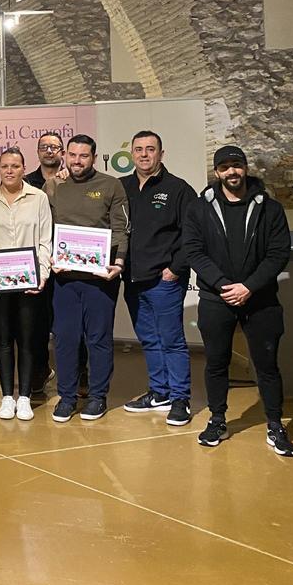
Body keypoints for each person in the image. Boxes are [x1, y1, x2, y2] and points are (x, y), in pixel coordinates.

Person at [183, 145, 293, 456]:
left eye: (237, 165)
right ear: (216, 172)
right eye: (225, 167)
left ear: (245, 168)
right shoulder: (198, 208)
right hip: (216, 298)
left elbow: (277, 255)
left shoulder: (270, 209)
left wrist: (248, 286)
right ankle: (217, 419)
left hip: (261, 299)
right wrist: (222, 285)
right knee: (217, 363)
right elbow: (193, 251)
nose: (232, 171)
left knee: (267, 366)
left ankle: (275, 424)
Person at [44, 135, 129, 423]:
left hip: (100, 277)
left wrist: (118, 262)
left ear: (94, 157)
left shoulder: (111, 185)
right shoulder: (56, 185)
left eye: (84, 156)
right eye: (73, 155)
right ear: (65, 155)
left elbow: (121, 228)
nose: (77, 161)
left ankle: (97, 397)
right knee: (66, 339)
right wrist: (50, 258)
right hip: (64, 277)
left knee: (98, 340)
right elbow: (46, 227)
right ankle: (66, 397)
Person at [120, 131, 194, 427]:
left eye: (151, 149)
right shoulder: (121, 186)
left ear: (161, 154)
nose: (144, 154)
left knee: (172, 341)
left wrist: (174, 268)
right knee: (149, 340)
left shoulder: (178, 189)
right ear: (132, 154)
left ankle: (180, 399)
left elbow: (192, 235)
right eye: (138, 149)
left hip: (164, 280)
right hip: (132, 279)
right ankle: (159, 392)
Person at [0, 148, 52, 422]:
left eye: (15, 166)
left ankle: (25, 397)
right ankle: (7, 396)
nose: (10, 170)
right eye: (5, 166)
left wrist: (42, 274)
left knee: (28, 340)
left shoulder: (38, 197)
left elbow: (45, 240)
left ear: (23, 168)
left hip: (30, 280)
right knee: (4, 340)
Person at [25, 135, 64, 400]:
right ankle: (39, 373)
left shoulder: (74, 179)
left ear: (62, 151)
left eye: (54, 147)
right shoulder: (25, 183)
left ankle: (77, 375)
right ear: (38, 152)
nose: (49, 151)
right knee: (36, 325)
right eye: (44, 147)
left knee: (67, 325)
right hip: (35, 264)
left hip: (65, 264)